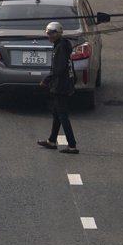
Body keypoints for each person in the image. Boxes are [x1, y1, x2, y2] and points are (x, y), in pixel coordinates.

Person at [40, 22, 79, 154]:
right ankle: (52, 140)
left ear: (57, 33)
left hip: (60, 85)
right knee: (57, 114)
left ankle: (72, 145)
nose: (49, 36)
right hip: (64, 84)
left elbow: (59, 68)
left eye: (51, 33)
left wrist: (46, 80)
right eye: (48, 34)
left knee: (62, 115)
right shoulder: (62, 46)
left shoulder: (60, 48)